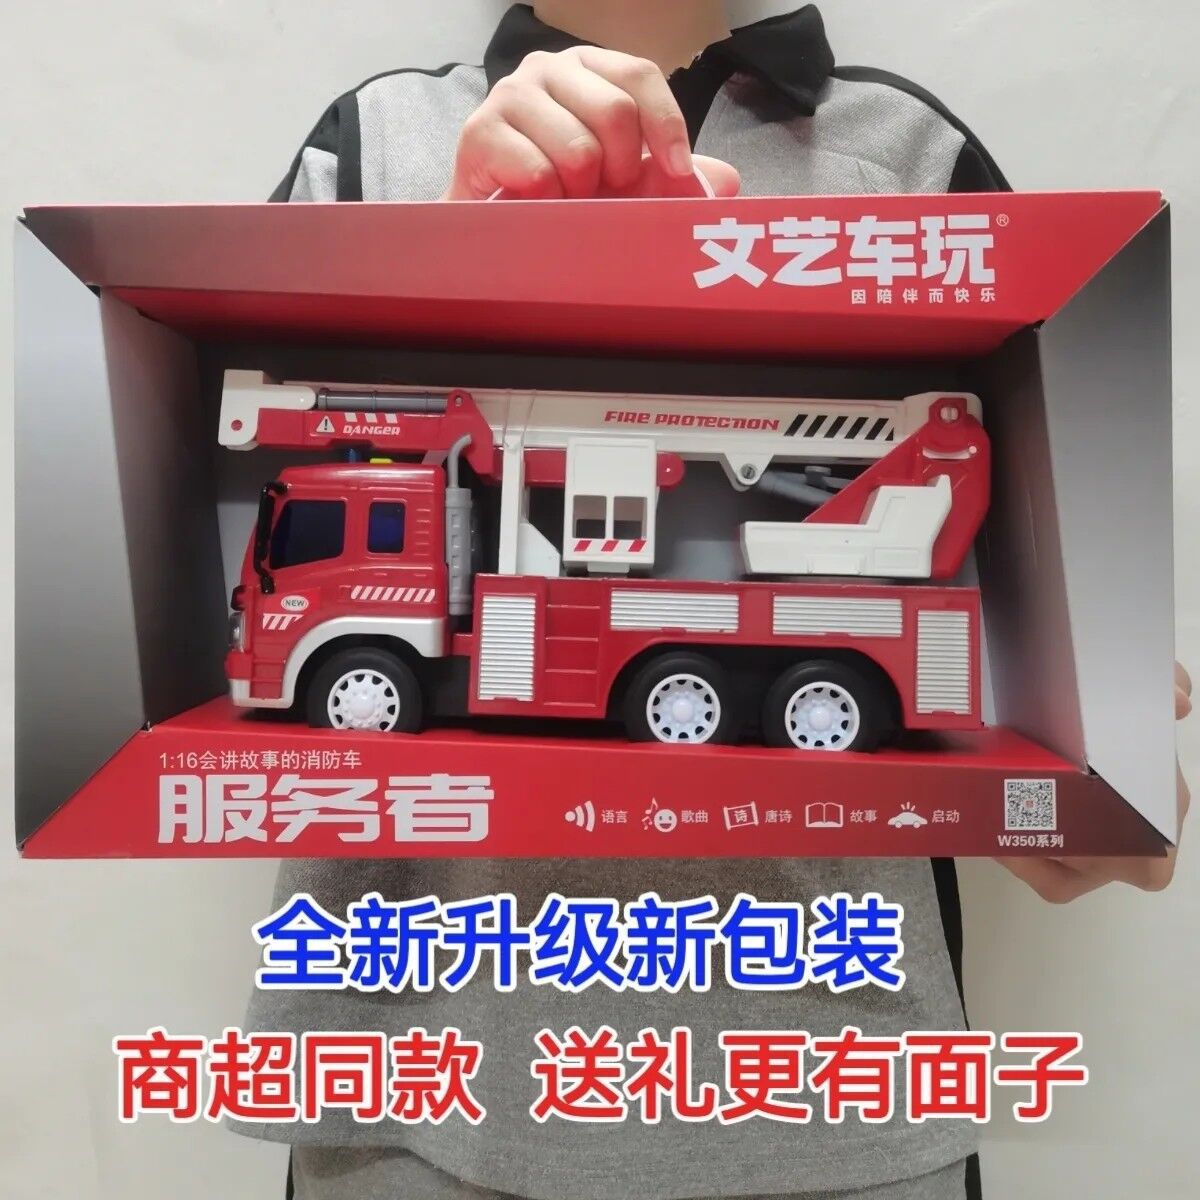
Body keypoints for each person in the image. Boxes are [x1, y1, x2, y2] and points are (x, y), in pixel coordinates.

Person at [239, 4, 1193, 1198]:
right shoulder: (373, 147)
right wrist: (443, 262)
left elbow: (1082, 695)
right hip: (409, 1113)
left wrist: (1091, 758)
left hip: (836, 1115)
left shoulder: (915, 162)